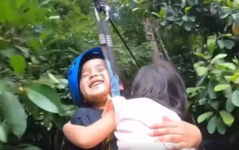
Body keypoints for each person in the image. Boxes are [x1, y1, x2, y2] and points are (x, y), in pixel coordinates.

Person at [64, 47, 202, 150]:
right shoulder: (83, 116)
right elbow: (85, 138)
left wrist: (195, 136)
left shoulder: (132, 110)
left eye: (101, 70)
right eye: (85, 75)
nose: (93, 75)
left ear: (119, 83)